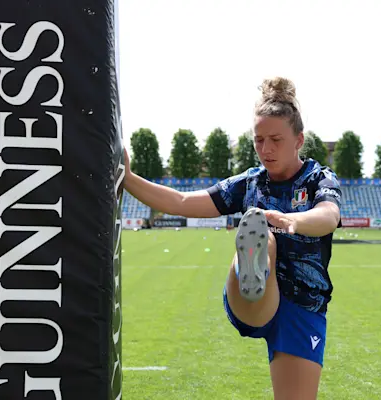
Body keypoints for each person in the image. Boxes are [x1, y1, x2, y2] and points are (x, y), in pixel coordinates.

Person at [123, 77, 342, 399]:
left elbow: (328, 216)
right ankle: (252, 266)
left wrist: (291, 220)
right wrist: (127, 178)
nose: (265, 149)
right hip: (251, 298)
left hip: (303, 305)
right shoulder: (249, 183)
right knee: (262, 236)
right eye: (258, 140)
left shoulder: (319, 179)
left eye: (276, 140)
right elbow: (181, 202)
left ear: (299, 140)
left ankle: (255, 260)